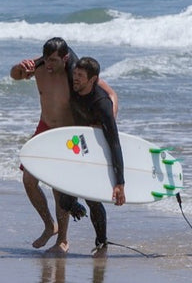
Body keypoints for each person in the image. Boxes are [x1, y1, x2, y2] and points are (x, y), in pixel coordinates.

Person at [10, 38, 118, 255]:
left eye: (53, 61)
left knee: (60, 188)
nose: (48, 65)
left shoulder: (76, 74)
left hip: (69, 135)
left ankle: (63, 240)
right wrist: (19, 67)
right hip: (45, 127)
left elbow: (111, 95)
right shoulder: (39, 66)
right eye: (46, 59)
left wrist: (108, 122)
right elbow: (14, 75)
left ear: (65, 58)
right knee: (29, 180)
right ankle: (50, 225)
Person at [63, 56, 126, 258]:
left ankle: (102, 242)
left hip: (97, 148)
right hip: (77, 143)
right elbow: (65, 52)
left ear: (93, 80)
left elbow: (115, 143)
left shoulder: (102, 104)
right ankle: (75, 207)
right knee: (64, 198)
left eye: (81, 76)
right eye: (75, 74)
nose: (75, 79)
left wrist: (120, 183)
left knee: (92, 200)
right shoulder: (74, 81)